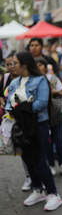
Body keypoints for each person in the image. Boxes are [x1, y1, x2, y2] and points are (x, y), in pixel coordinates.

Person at [5, 51, 62, 211]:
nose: (12, 66)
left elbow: (42, 103)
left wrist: (21, 109)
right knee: (27, 160)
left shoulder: (40, 80)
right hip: (21, 128)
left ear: (24, 64)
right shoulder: (14, 83)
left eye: (15, 63)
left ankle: (53, 194)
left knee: (39, 160)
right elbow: (9, 105)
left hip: (39, 125)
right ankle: (37, 190)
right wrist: (19, 109)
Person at [35, 57, 62, 176]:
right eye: (36, 65)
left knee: (58, 139)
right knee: (47, 141)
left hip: (56, 114)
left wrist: (53, 92)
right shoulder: (33, 81)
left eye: (40, 65)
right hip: (42, 117)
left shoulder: (53, 78)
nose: (38, 67)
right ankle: (51, 165)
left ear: (46, 68)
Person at [1, 51, 32, 191]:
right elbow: (1, 94)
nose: (10, 67)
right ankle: (29, 177)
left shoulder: (27, 78)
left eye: (13, 64)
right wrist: (3, 103)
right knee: (22, 148)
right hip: (12, 119)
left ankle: (39, 177)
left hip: (27, 119)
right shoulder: (6, 77)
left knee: (34, 149)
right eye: (8, 64)